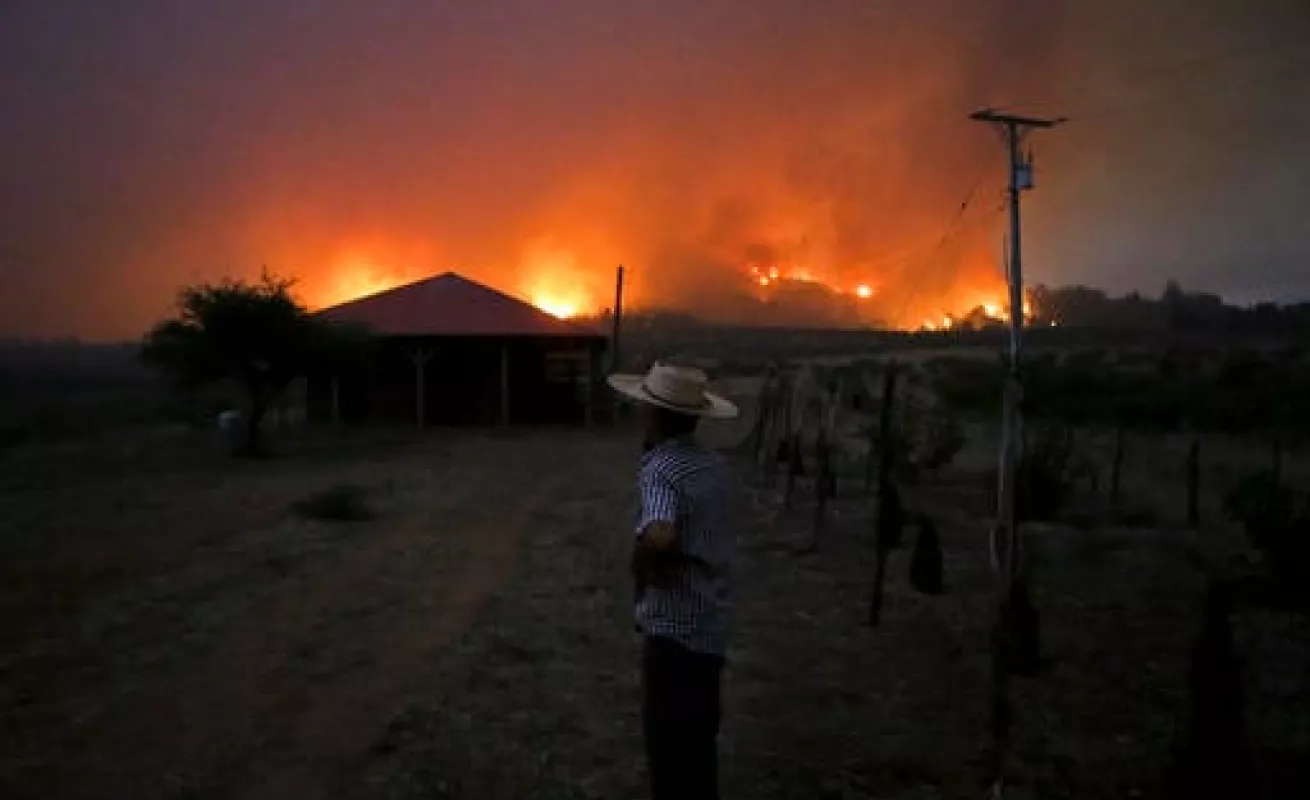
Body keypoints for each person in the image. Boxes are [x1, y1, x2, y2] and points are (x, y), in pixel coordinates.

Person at [607, 361, 740, 800]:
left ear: (655, 415)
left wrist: (641, 567)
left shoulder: (661, 467)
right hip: (712, 625)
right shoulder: (714, 466)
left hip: (674, 630)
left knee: (667, 750)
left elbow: (660, 532)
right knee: (700, 743)